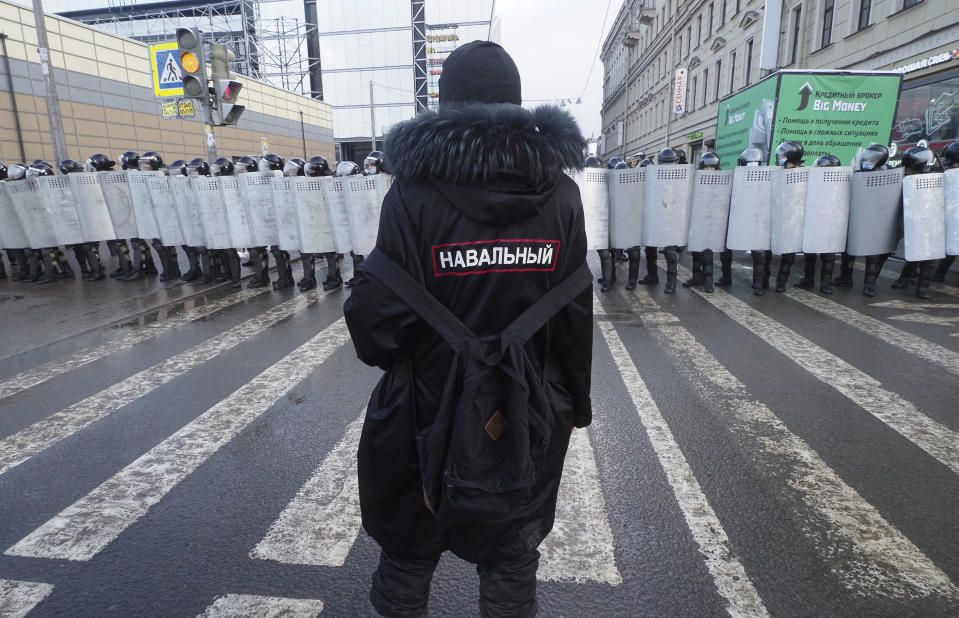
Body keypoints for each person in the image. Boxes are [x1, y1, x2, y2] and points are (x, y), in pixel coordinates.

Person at [344, 40, 592, 618]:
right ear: (517, 104)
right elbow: (575, 317)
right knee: (510, 560)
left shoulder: (411, 194)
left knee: (408, 554)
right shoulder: (563, 195)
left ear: (446, 104)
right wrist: (571, 405)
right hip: (526, 410)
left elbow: (375, 328)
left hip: (421, 411)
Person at [893, 146, 938, 298]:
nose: (922, 162)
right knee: (887, 248)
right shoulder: (899, 174)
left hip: (926, 214)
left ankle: (918, 283)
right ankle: (903, 278)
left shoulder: (934, 175)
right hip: (903, 213)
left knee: (926, 250)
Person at [684, 151, 723, 293]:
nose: (709, 170)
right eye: (707, 167)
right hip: (696, 219)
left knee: (707, 253)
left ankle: (708, 282)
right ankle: (696, 278)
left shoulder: (721, 180)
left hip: (711, 220)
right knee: (696, 252)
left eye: (712, 167)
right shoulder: (695, 178)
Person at [771, 141, 805, 292]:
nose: (780, 157)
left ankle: (781, 283)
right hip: (776, 215)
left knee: (789, 253)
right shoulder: (776, 171)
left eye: (783, 155)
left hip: (794, 218)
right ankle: (763, 279)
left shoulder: (804, 173)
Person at [933, 140, 959, 281]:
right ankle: (937, 273)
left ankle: (939, 273)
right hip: (945, 214)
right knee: (947, 245)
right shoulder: (944, 172)